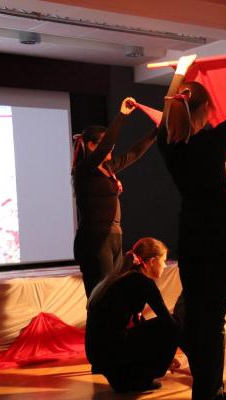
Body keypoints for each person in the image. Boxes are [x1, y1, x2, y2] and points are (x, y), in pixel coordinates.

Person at [156, 47, 226, 400]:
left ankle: (206, 390)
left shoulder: (168, 145)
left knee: (197, 315)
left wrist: (180, 73)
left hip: (191, 237)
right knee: (213, 319)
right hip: (219, 237)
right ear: (204, 109)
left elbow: (167, 115)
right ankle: (210, 391)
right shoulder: (210, 141)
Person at [72, 98, 157, 297]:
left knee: (114, 290)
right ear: (91, 146)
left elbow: (134, 153)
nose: (111, 148)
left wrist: (156, 132)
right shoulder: (84, 170)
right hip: (96, 238)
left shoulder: (108, 168)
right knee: (102, 292)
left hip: (114, 236)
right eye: (105, 143)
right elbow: (106, 145)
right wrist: (122, 116)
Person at [85, 237, 178, 393]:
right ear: (152, 261)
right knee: (171, 323)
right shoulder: (141, 282)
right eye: (163, 261)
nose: (165, 266)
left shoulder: (121, 278)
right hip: (109, 350)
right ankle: (142, 378)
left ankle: (127, 380)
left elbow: (138, 322)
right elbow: (168, 323)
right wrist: (192, 357)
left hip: (97, 354)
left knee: (153, 328)